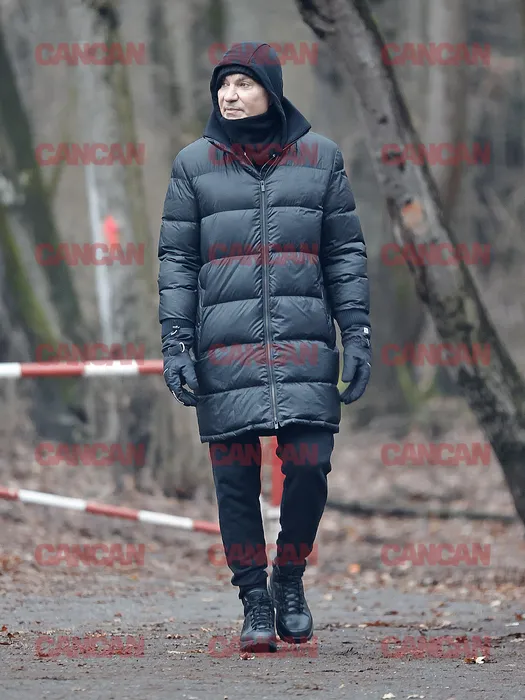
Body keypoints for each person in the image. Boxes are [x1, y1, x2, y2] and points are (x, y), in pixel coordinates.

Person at [158, 42, 371, 653]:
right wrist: (176, 342)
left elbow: (344, 253)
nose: (229, 95)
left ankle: (290, 577)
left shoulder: (322, 158)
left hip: (305, 345)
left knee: (310, 465)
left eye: (243, 84)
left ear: (271, 91)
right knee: (234, 478)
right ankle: (254, 596)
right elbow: (177, 261)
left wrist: (357, 333)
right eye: (222, 85)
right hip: (223, 348)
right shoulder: (192, 164)